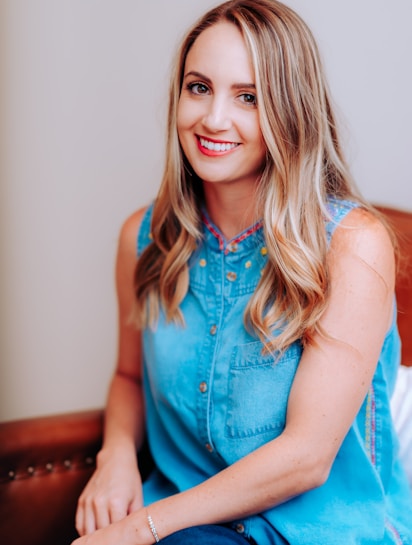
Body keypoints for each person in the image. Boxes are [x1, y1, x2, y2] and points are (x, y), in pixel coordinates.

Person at [73, 1, 412, 543]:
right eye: (199, 87)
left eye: (248, 97)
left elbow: (307, 457)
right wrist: (115, 457)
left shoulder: (354, 246)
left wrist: (141, 529)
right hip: (184, 523)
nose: (213, 119)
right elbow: (129, 377)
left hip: (312, 532)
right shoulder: (144, 239)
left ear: (290, 110)